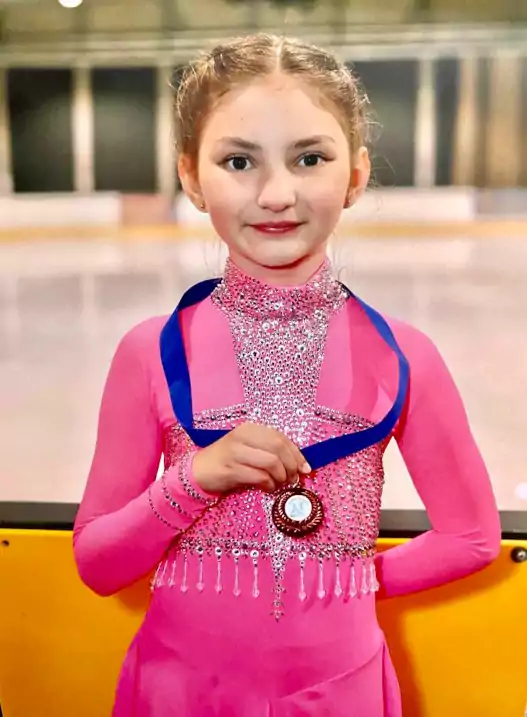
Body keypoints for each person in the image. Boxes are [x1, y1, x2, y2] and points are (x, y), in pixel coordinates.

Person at [73, 33, 501, 716]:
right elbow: (98, 565)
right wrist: (193, 480)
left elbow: (472, 538)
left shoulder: (405, 356)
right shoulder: (150, 350)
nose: (276, 194)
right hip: (180, 693)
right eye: (238, 161)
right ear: (191, 177)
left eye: (309, 158)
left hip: (339, 693)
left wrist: (342, 578)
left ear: (354, 175)